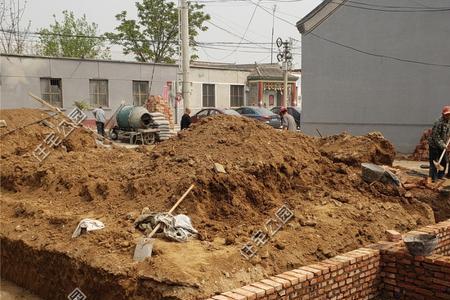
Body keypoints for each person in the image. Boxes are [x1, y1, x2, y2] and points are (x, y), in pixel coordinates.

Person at [428, 105, 450, 182]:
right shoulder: (438, 123)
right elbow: (436, 137)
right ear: (443, 114)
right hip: (434, 144)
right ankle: (433, 178)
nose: (448, 116)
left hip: (443, 143)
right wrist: (443, 145)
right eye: (446, 114)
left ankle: (441, 175)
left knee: (444, 160)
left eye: (449, 114)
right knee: (434, 162)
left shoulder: (449, 121)